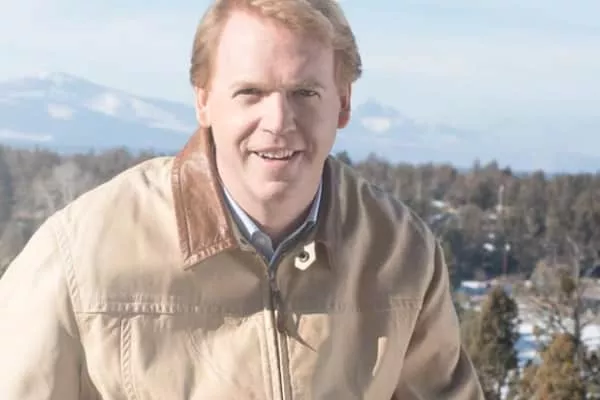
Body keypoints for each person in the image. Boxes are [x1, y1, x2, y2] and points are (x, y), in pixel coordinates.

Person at [0, 0, 484, 398]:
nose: (278, 121)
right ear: (203, 101)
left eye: (304, 92)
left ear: (343, 102)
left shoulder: (400, 253)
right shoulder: (78, 253)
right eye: (250, 92)